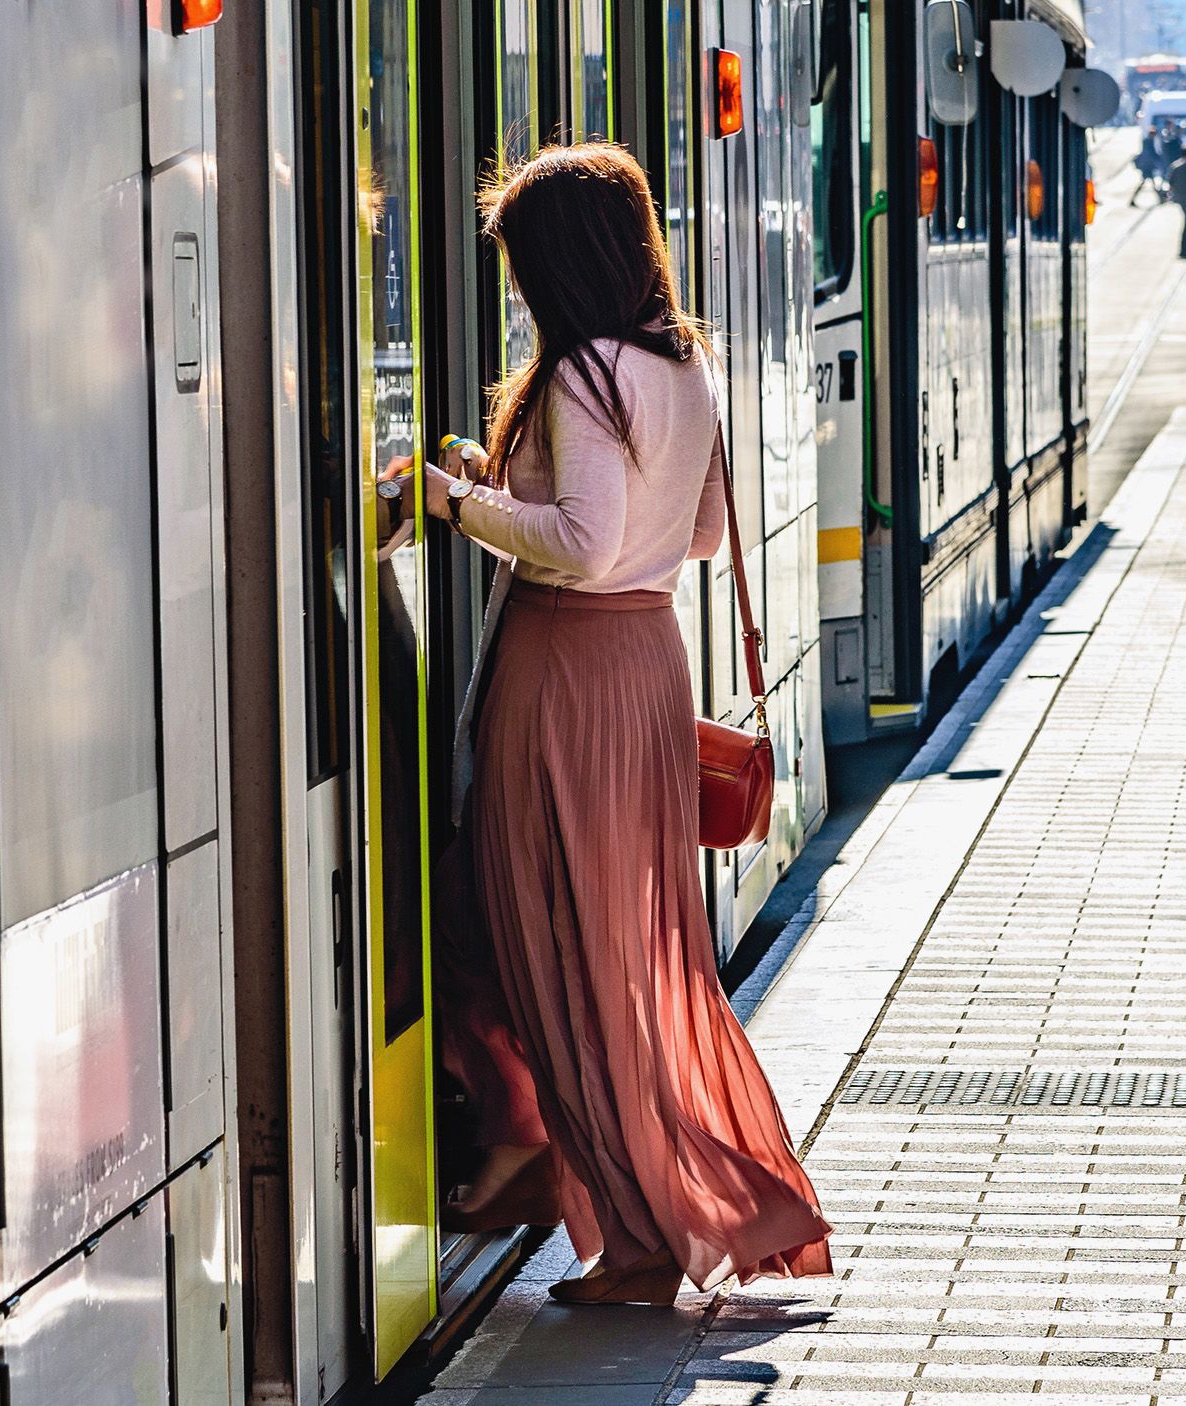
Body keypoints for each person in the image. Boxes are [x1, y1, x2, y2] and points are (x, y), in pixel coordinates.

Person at [415, 142, 830, 1307]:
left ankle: (630, 1224)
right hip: (646, 662)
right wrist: (505, 489)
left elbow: (583, 542)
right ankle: (613, 1183)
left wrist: (460, 503)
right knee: (618, 950)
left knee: (537, 929)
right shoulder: (680, 364)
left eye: (521, 260)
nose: (516, 287)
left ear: (561, 260)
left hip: (566, 668)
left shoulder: (583, 371)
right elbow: (693, 537)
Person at [1132, 125, 1165, 207]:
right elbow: (1151, 154)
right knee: (1149, 183)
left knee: (1147, 183)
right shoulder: (1149, 142)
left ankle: (1160, 199)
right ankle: (1160, 199)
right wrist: (1159, 159)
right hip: (1147, 166)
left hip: (1146, 165)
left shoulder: (1147, 141)